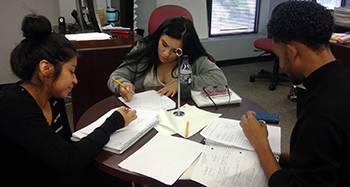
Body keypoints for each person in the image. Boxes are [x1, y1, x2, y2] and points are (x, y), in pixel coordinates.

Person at [0, 14, 137, 186]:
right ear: (46, 68)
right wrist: (114, 122)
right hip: (32, 179)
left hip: (50, 171)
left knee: (116, 174)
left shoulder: (52, 96)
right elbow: (69, 159)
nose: (75, 80)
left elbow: (65, 144)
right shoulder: (14, 105)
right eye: (71, 71)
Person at [240, 1, 350, 187]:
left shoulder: (319, 114)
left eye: (279, 55)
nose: (280, 63)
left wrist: (261, 145)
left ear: (291, 51)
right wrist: (279, 156)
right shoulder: (341, 82)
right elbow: (326, 155)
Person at [107, 16, 227, 101]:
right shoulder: (144, 49)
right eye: (164, 44)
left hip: (181, 115)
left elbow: (220, 79)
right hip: (144, 115)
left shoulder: (192, 58)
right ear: (159, 37)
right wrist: (123, 85)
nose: (166, 53)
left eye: (176, 51)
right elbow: (116, 77)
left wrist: (182, 83)